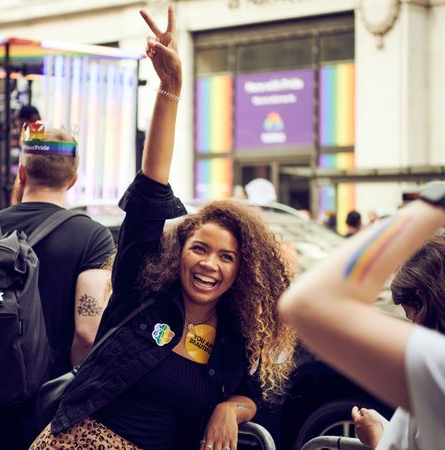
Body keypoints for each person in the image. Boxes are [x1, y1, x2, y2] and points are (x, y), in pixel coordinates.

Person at [30, 6, 296, 450]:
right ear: (180, 250)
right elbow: (152, 188)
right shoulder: (141, 293)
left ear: (240, 271)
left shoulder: (235, 332)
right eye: (201, 248)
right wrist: (170, 88)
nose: (210, 264)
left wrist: (230, 409)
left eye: (226, 257)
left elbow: (252, 394)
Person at [0, 123, 115, 449]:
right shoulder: (92, 237)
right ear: (72, 179)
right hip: (39, 420)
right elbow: (88, 335)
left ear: (21, 173)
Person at [278, 168, 445, 448]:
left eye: (409, 315)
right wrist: (384, 436)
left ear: (422, 300)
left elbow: (308, 303)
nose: (410, 325)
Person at [350, 235, 445, 449]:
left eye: (412, 318)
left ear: (422, 302)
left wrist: (376, 436)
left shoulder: (436, 383)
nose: (413, 329)